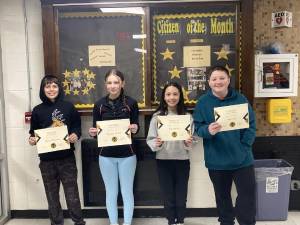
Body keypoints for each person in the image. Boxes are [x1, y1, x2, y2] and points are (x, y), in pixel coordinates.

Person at [193, 65, 256, 225]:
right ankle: (226, 222)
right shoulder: (202, 103)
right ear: (209, 82)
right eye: (214, 79)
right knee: (222, 198)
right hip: (217, 161)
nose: (218, 81)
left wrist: (244, 146)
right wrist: (208, 130)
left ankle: (247, 222)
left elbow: (252, 125)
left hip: (242, 160)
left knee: (247, 196)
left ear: (228, 80)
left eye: (222, 78)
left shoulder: (241, 99)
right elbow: (197, 128)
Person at [28, 75, 85, 225]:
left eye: (54, 86)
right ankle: (56, 222)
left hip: (67, 159)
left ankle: (78, 222)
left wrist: (75, 135)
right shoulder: (37, 110)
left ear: (59, 89)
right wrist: (32, 140)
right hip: (46, 161)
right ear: (43, 89)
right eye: (48, 86)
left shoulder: (69, 107)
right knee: (52, 196)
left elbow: (77, 128)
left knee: (72, 194)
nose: (51, 89)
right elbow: (33, 133)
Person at [88, 69, 139, 225]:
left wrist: (135, 128)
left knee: (127, 192)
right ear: (105, 85)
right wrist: (92, 132)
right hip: (106, 156)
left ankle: (127, 223)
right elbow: (95, 131)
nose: (113, 86)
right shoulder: (99, 105)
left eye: (116, 82)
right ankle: (114, 223)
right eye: (109, 83)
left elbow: (135, 126)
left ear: (122, 83)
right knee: (111, 192)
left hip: (127, 155)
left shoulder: (131, 103)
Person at [146, 81, 193, 225]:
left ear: (180, 96)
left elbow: (192, 139)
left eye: (175, 94)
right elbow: (151, 139)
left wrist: (188, 142)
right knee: (167, 193)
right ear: (163, 97)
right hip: (163, 161)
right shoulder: (157, 117)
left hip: (182, 160)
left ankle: (181, 220)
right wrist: (157, 144)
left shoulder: (187, 116)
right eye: (168, 94)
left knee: (181, 193)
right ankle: (171, 221)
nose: (171, 97)